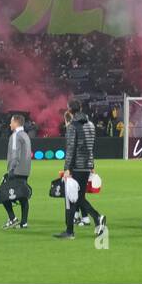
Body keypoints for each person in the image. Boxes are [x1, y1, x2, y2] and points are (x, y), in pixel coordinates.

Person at [55, 100, 105, 239]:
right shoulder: (91, 125)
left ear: (69, 110)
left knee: (71, 198)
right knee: (79, 197)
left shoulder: (73, 126)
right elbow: (92, 147)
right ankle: (95, 219)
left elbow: (71, 149)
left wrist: (67, 169)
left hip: (76, 166)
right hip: (86, 166)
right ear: (81, 108)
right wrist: (92, 165)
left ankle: (71, 231)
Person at [2, 114, 31, 229]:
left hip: (16, 170)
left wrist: (11, 170)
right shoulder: (26, 135)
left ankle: (12, 218)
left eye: (11, 122)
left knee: (3, 193)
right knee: (23, 196)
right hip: (25, 170)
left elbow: (15, 154)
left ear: (16, 122)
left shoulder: (16, 136)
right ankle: (24, 222)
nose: (10, 124)